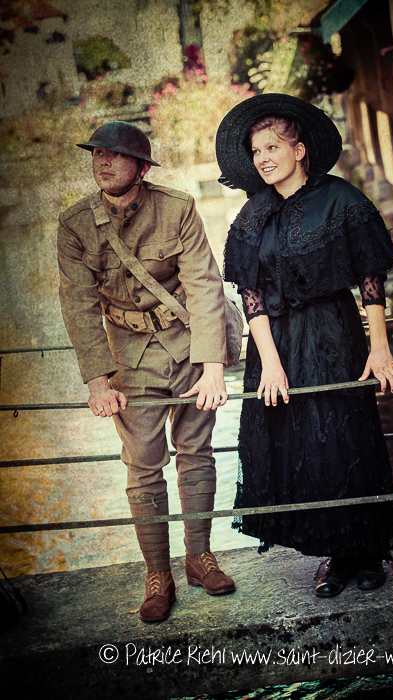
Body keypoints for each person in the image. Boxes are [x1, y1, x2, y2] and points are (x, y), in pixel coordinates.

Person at [216, 93, 393, 598]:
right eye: (256, 151)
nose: (263, 158)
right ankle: (334, 555)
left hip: (332, 334)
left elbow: (371, 278)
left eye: (272, 147)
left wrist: (380, 348)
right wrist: (270, 365)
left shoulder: (341, 199)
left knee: (344, 437)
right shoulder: (252, 213)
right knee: (300, 443)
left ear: (299, 150)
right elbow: (251, 295)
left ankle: (367, 550)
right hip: (275, 343)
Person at [58, 121, 235, 622]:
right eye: (97, 154)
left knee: (196, 452)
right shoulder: (75, 225)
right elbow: (78, 305)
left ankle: (200, 558)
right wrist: (98, 381)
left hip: (188, 344)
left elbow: (204, 284)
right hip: (129, 358)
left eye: (114, 155)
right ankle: (158, 574)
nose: (103, 162)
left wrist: (213, 366)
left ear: (141, 168)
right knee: (142, 465)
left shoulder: (176, 208)